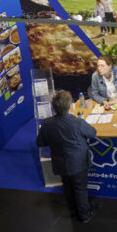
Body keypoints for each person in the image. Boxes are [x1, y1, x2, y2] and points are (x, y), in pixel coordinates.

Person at [35, 90, 98, 223]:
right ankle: (84, 215)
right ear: (70, 106)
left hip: (61, 163)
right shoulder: (78, 122)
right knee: (80, 189)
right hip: (78, 163)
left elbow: (40, 142)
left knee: (68, 188)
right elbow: (92, 132)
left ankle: (73, 212)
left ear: (54, 107)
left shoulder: (46, 124)